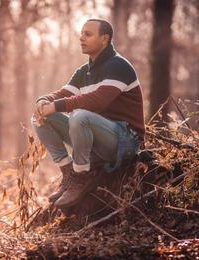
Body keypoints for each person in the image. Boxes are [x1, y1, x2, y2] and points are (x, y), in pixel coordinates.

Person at [31, 19, 144, 208]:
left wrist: (57, 105)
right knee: (40, 117)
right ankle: (69, 174)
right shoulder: (84, 71)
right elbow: (62, 94)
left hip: (125, 141)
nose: (81, 38)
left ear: (104, 39)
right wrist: (43, 101)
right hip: (97, 136)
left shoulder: (119, 66)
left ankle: (83, 176)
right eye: (81, 33)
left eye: (88, 34)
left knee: (80, 116)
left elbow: (98, 100)